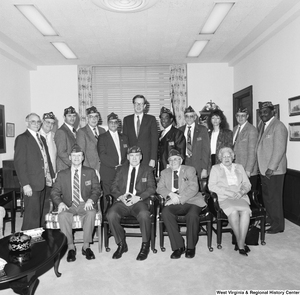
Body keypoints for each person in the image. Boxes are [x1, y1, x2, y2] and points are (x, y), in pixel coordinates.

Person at [50, 144, 101, 262]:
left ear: (83, 157)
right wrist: (60, 203)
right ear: (70, 157)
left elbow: (97, 189)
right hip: (69, 204)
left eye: (79, 155)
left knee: (91, 213)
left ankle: (86, 246)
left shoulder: (90, 172)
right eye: (74, 156)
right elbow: (54, 192)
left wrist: (91, 200)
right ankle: (70, 247)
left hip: (85, 203)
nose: (76, 158)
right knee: (62, 215)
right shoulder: (62, 174)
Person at [106, 146, 156, 261]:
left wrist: (138, 198)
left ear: (141, 157)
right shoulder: (120, 169)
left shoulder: (147, 169)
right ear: (128, 157)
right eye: (132, 156)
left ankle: (145, 246)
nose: (134, 158)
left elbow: (151, 188)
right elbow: (113, 187)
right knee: (111, 215)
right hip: (123, 201)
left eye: (137, 155)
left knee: (144, 215)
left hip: (139, 201)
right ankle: (121, 244)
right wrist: (121, 197)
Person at [157, 149, 206, 259]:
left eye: (176, 159)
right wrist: (171, 194)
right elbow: (159, 188)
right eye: (170, 160)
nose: (173, 162)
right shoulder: (165, 172)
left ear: (181, 160)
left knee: (192, 216)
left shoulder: (189, 170)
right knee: (165, 212)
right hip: (174, 200)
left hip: (192, 200)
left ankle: (191, 247)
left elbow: (194, 188)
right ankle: (178, 246)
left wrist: (179, 199)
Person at [14, 113, 54, 230]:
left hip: (44, 182)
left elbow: (47, 159)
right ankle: (28, 241)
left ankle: (40, 238)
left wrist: (52, 176)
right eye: (33, 121)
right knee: (32, 215)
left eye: (38, 122)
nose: (36, 124)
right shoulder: (22, 138)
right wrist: (25, 184)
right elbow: (19, 163)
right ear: (27, 123)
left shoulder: (41, 138)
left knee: (43, 213)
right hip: (31, 184)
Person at [208, 147, 251, 256]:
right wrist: (228, 193)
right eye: (224, 156)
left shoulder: (239, 167)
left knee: (246, 211)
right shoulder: (215, 168)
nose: (226, 158)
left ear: (233, 157)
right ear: (220, 158)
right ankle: (241, 244)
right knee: (233, 212)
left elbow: (247, 184)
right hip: (224, 197)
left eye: (229, 156)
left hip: (240, 196)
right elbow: (211, 186)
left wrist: (241, 192)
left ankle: (239, 242)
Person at [256, 101, 288, 234]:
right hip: (264, 169)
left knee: (274, 198)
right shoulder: (263, 126)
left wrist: (271, 168)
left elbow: (279, 150)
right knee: (267, 197)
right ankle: (270, 218)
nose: (263, 115)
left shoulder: (278, 126)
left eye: (266, 112)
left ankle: (278, 225)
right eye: (261, 112)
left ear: (272, 112)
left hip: (274, 171)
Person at [97, 112, 128, 209]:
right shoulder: (102, 137)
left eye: (115, 122)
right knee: (108, 197)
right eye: (111, 122)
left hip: (122, 171)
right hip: (108, 171)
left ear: (118, 124)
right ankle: (107, 219)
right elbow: (102, 155)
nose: (113, 124)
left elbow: (128, 154)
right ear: (108, 123)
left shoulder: (124, 137)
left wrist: (123, 166)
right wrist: (116, 165)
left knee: (120, 195)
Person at [123, 95, 158, 167]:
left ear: (144, 106)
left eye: (141, 104)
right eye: (136, 103)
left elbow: (154, 141)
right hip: (132, 159)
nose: (138, 106)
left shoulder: (151, 119)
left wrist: (153, 159)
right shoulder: (127, 120)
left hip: (147, 158)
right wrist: (127, 158)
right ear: (133, 105)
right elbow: (125, 141)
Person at [179, 106, 210, 181]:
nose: (189, 118)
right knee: (184, 186)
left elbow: (206, 150)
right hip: (184, 163)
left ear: (195, 117)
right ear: (184, 117)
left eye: (191, 116)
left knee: (197, 187)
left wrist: (205, 168)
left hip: (198, 164)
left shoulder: (202, 129)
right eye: (187, 116)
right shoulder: (179, 130)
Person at [233, 108, 258, 191]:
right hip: (236, 168)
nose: (240, 118)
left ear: (247, 116)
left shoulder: (252, 130)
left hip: (247, 170)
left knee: (248, 197)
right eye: (238, 116)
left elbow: (252, 152)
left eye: (243, 116)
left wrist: (248, 170)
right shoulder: (235, 129)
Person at [39, 111, 57, 225]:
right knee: (40, 204)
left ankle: (47, 226)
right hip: (41, 175)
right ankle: (40, 226)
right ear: (42, 122)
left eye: (52, 123)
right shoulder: (37, 136)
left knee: (49, 202)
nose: (49, 125)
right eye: (47, 122)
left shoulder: (53, 136)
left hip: (53, 174)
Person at [157, 107, 186, 175]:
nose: (163, 120)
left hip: (173, 168)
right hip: (161, 169)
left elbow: (181, 153)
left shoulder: (177, 133)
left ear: (171, 119)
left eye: (166, 118)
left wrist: (173, 165)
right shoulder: (160, 134)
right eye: (161, 118)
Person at [76, 106, 105, 171]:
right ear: (87, 118)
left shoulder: (102, 131)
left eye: (96, 116)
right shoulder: (82, 132)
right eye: (91, 117)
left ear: (98, 118)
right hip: (90, 169)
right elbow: (81, 153)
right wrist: (89, 171)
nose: (94, 119)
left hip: (103, 169)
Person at [54, 106, 77, 172]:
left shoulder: (74, 131)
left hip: (71, 168)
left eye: (74, 116)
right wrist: (74, 164)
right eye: (69, 116)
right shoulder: (61, 131)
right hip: (64, 168)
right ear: (64, 117)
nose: (72, 118)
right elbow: (61, 152)